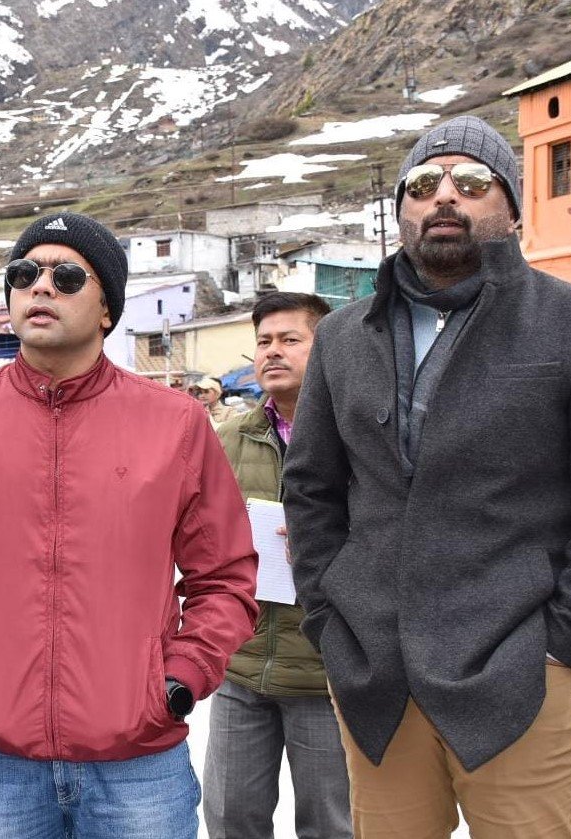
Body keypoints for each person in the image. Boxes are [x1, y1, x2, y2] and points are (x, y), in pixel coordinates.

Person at [283, 115, 571, 838]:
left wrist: (566, 642)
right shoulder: (342, 336)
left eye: (472, 180)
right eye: (424, 183)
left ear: (512, 207)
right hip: (377, 676)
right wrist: (331, 619)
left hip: (517, 671)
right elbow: (311, 489)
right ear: (402, 208)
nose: (445, 196)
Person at [0, 211, 259, 839]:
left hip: (138, 763)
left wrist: (181, 678)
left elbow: (225, 576)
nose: (40, 286)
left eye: (67, 276)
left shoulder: (175, 424)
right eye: (24, 273)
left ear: (107, 309)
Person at [204, 291, 349, 839]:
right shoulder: (227, 439)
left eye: (291, 339)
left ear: (327, 347)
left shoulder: (357, 435)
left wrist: (329, 538)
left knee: (332, 825)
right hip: (240, 666)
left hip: (325, 671)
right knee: (230, 818)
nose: (272, 351)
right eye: (263, 341)